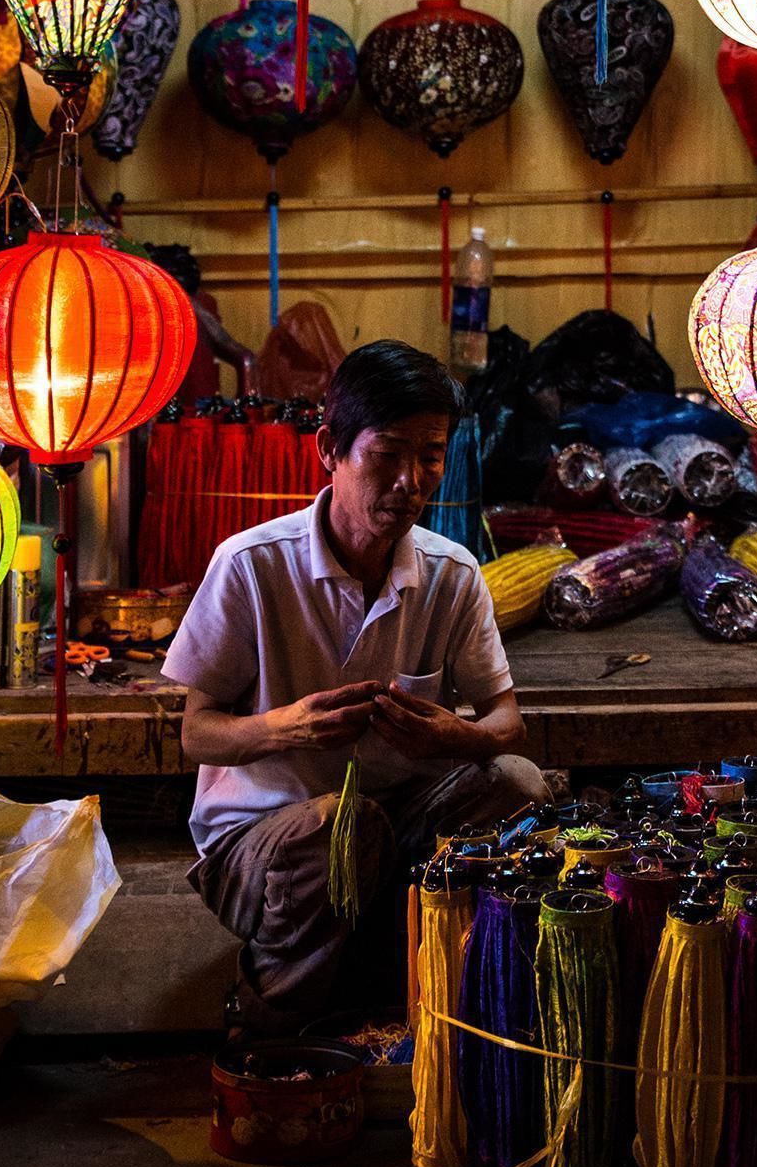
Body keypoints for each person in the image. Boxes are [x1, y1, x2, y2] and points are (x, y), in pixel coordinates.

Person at [163, 338, 548, 1036]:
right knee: (341, 824)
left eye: (430, 456)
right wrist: (287, 728)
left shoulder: (452, 574)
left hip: (396, 826)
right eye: (387, 454)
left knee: (519, 783)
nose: (411, 480)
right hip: (264, 844)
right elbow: (196, 731)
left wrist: (449, 735)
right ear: (328, 451)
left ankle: (445, 998)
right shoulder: (250, 566)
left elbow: (505, 723)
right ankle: (271, 1030)